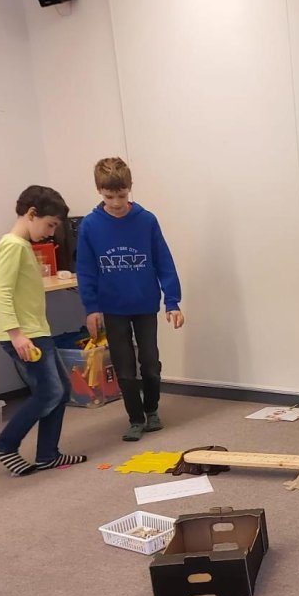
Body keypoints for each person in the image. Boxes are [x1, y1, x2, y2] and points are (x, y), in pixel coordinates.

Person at [76, 157, 184, 442]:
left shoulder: (146, 220)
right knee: (124, 368)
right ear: (99, 191)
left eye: (122, 195)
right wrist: (91, 308)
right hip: (112, 308)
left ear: (130, 188)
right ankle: (135, 419)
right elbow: (85, 269)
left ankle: (152, 410)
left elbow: (164, 261)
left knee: (150, 362)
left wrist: (172, 301)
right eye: (109, 196)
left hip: (144, 304)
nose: (116, 203)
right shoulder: (90, 225)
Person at [0, 185, 87, 476]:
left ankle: (47, 454)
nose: (51, 233)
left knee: (61, 390)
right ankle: (5, 445)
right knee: (48, 392)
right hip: (25, 335)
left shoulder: (22, 246)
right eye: (50, 224)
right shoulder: (13, 245)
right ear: (32, 214)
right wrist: (16, 334)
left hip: (36, 331)